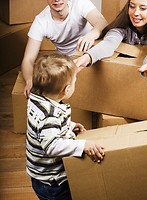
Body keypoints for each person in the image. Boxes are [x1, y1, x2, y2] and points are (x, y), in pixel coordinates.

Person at [26, 52, 104, 200]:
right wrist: (83, 146)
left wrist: (69, 125)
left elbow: (42, 127)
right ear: (66, 89)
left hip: (40, 175)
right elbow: (52, 146)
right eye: (75, 81)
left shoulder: (36, 98)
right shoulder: (49, 115)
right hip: (52, 182)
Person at [21, 0, 107, 99]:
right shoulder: (40, 21)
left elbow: (102, 23)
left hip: (91, 51)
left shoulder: (80, 3)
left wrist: (91, 35)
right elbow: (28, 59)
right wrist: (29, 80)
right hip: (67, 63)